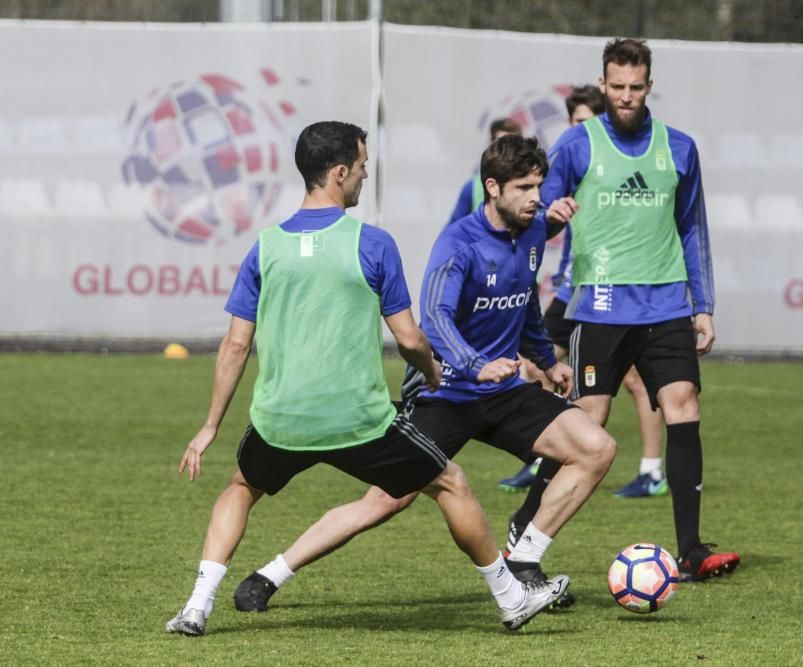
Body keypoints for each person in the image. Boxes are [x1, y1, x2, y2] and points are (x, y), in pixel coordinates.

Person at [164, 121, 568, 637]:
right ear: (338, 173)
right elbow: (410, 339)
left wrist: (209, 427)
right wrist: (432, 372)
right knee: (451, 482)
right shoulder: (373, 244)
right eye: (360, 168)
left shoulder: (264, 247)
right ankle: (512, 598)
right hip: (359, 420)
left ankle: (197, 606)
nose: (363, 176)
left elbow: (235, 345)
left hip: (281, 418)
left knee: (241, 487)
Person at [509, 39, 740, 581]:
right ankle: (524, 526)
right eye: (617, 87)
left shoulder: (678, 148)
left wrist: (701, 306)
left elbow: (692, 229)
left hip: (666, 303)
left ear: (649, 86)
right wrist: (552, 216)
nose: (627, 96)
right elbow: (532, 215)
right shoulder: (575, 145)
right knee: (586, 424)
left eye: (636, 87)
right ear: (604, 83)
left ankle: (691, 549)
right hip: (600, 305)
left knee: (683, 404)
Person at [498, 85, 668, 498]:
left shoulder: (617, 172)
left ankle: (651, 469)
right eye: (575, 123)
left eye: (588, 122)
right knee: (537, 366)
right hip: (574, 285)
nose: (581, 131)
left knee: (633, 381)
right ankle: (544, 456)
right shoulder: (571, 172)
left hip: (603, 290)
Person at [447, 117, 522, 224]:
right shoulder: (473, 187)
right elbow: (451, 231)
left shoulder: (533, 187)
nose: (505, 150)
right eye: (499, 144)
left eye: (510, 144)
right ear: (491, 146)